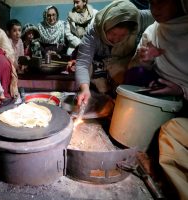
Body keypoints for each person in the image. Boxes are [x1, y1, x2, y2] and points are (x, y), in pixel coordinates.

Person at [126, 0, 188, 198]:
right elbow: (133, 72)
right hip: (160, 90)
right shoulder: (153, 31)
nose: (156, 8)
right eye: (153, 2)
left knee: (170, 134)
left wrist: (181, 90)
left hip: (183, 95)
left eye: (163, 1)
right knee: (134, 78)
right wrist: (146, 61)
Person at [75, 0, 154, 106]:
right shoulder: (94, 31)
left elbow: (164, 18)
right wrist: (85, 88)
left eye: (122, 35)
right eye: (112, 33)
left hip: (123, 60)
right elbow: (82, 63)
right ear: (104, 27)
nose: (116, 40)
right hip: (101, 61)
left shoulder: (137, 18)